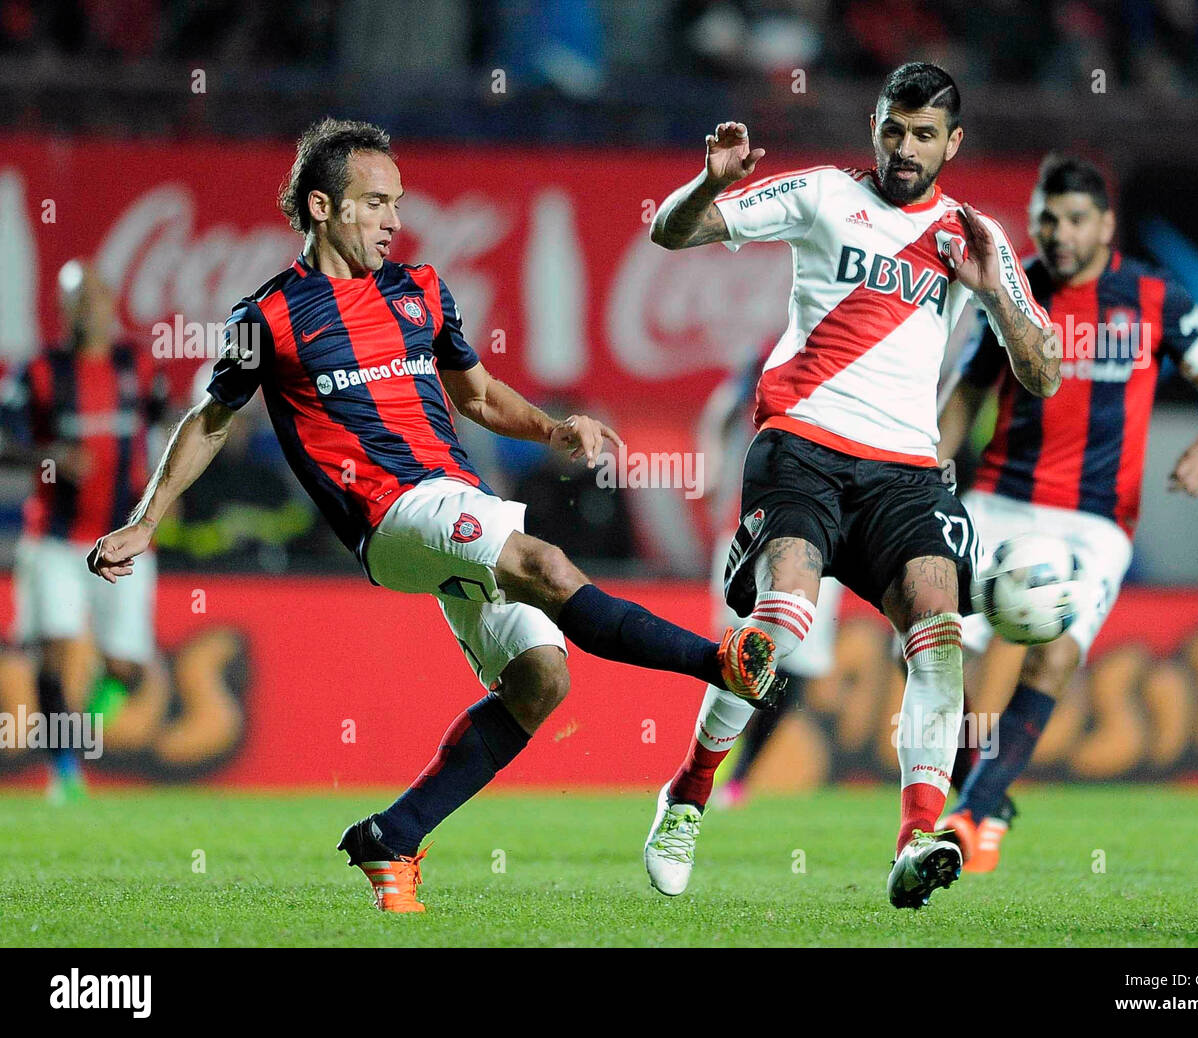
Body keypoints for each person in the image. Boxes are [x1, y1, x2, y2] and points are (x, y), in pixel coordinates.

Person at [86, 117, 778, 913]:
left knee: (540, 680)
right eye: (374, 203)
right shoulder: (268, 316)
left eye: (398, 202)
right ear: (321, 207)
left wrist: (555, 429)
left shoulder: (420, 291)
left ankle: (394, 835)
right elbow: (209, 420)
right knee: (546, 566)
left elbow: (477, 396)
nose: (392, 220)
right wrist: (145, 520)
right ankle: (718, 662)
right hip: (389, 516)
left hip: (460, 500)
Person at [642, 62, 1061, 909]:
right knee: (783, 626)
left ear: (954, 142)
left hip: (905, 469)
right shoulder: (823, 195)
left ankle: (918, 838)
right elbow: (673, 234)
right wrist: (707, 184)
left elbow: (1043, 371)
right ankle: (687, 793)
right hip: (800, 444)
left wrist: (993, 297)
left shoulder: (976, 236)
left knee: (936, 629)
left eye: (923, 134)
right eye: (893, 129)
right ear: (875, 124)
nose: (904, 148)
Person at [935, 154, 1198, 871]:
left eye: (1075, 218)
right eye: (1046, 217)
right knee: (929, 652)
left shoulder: (1157, 298)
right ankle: (981, 789)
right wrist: (928, 472)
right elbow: (967, 393)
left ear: (1106, 223)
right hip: (1001, 498)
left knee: (1056, 652)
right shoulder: (1013, 292)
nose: (1058, 232)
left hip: (1095, 521)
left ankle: (976, 811)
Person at [0, 260, 168, 804]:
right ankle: (66, 768)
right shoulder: (40, 372)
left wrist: (165, 497)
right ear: (64, 307)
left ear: (110, 301)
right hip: (53, 536)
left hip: (122, 537)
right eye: (79, 298)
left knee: (127, 670)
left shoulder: (138, 366)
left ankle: (82, 729)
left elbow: (175, 429)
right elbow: (5, 441)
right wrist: (46, 455)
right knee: (53, 651)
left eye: (98, 296)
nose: (90, 307)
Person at [691, 351, 843, 814]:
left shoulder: (861, 363)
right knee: (742, 652)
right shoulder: (775, 356)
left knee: (797, 667)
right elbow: (722, 407)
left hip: (823, 533)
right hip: (753, 524)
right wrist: (714, 465)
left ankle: (739, 776)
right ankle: (703, 770)